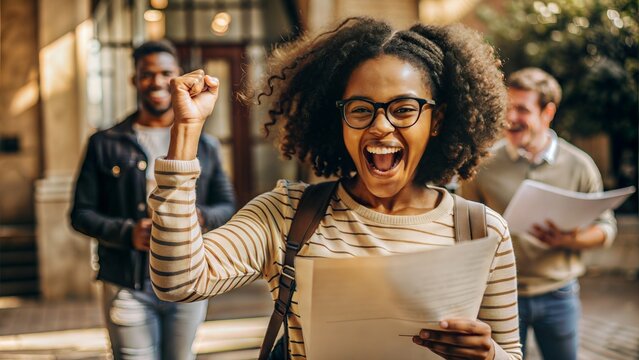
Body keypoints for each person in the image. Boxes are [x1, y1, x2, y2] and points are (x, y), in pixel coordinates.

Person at [150, 18, 522, 359]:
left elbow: (510, 353)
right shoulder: (287, 215)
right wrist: (185, 132)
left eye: (404, 109)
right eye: (361, 109)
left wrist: (489, 355)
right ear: (339, 120)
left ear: (436, 120)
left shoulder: (483, 232)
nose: (380, 126)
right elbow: (178, 280)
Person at [70, 40, 236, 360]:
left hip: (188, 280)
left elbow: (227, 206)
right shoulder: (105, 143)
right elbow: (81, 213)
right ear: (134, 80)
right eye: (147, 74)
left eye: (165, 73)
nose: (157, 82)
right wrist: (128, 232)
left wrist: (195, 218)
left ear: (178, 78)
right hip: (126, 284)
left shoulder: (207, 146)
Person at [460, 67, 617, 359]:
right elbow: (464, 227)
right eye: (508, 108)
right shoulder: (483, 164)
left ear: (548, 112)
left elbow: (606, 228)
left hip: (559, 294)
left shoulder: (579, 165)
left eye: (522, 109)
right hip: (500, 295)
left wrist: (570, 240)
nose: (510, 118)